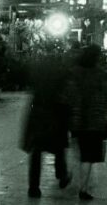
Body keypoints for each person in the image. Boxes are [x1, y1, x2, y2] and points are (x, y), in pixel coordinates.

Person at [70, 44, 107, 201]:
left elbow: (69, 95)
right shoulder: (101, 75)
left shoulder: (75, 73)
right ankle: (83, 188)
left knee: (80, 153)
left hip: (78, 121)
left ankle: (75, 177)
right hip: (94, 122)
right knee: (88, 157)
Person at [22, 53, 73, 198]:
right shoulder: (62, 74)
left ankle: (33, 187)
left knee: (36, 152)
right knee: (59, 148)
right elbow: (67, 96)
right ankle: (62, 175)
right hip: (56, 114)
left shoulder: (37, 75)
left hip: (38, 115)